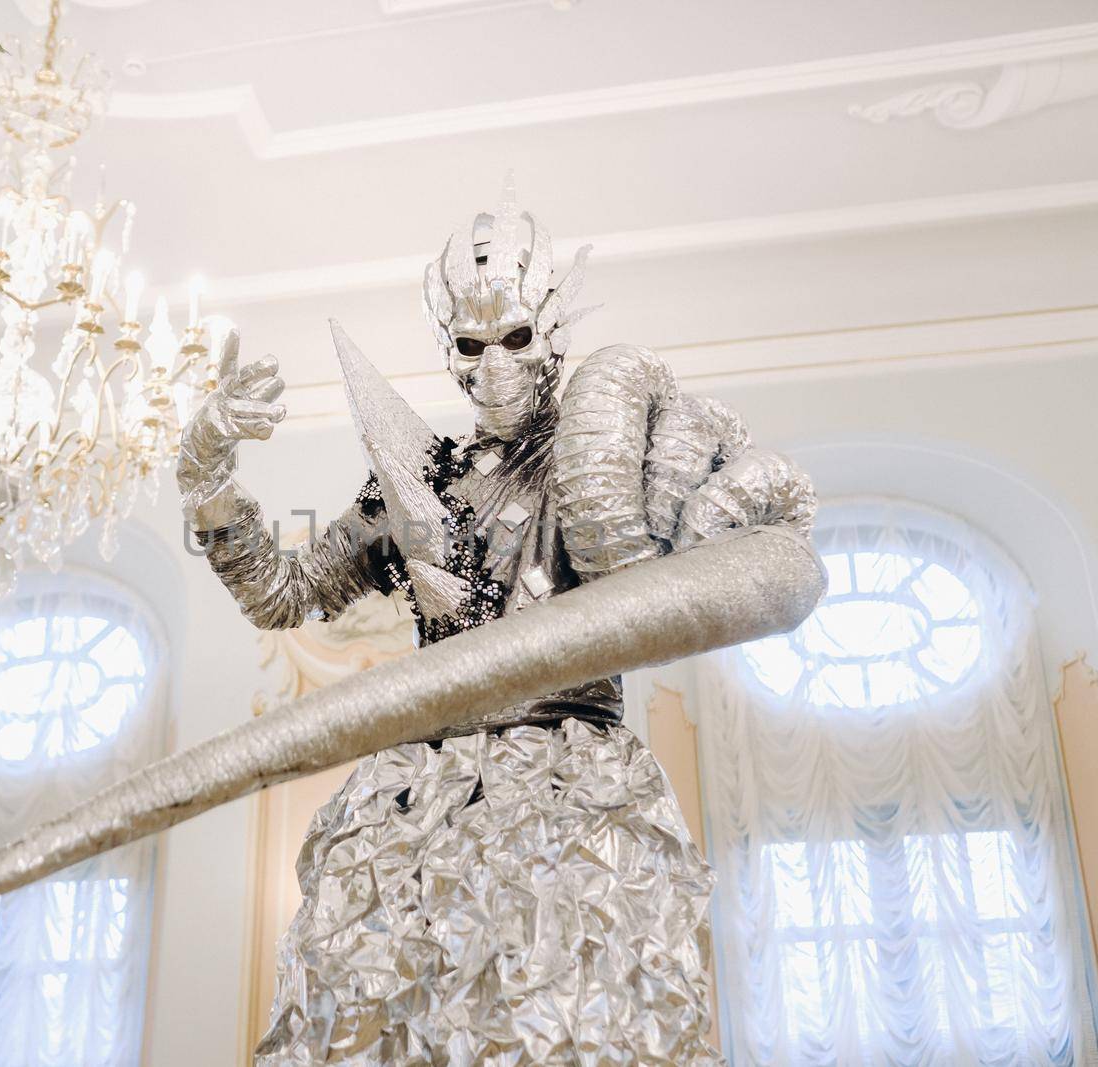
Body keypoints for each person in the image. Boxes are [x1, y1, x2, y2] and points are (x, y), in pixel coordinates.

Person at [175, 179, 816, 1066]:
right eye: (470, 346)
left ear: (551, 333)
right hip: (423, 785)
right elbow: (283, 595)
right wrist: (205, 475)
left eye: (515, 337)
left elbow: (715, 560)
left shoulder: (611, 455)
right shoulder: (418, 476)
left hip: (573, 772)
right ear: (447, 350)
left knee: (580, 1010)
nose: (494, 366)